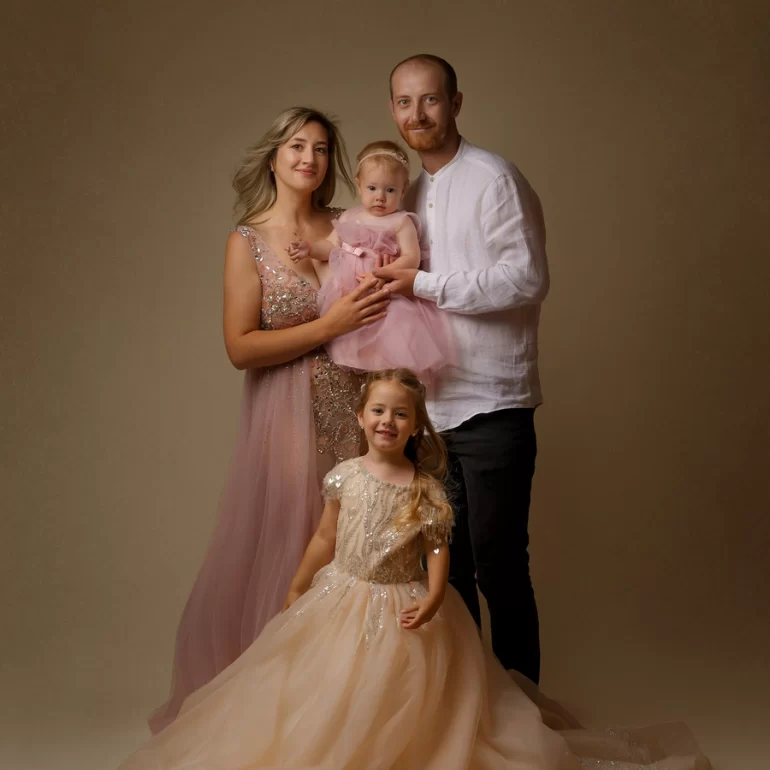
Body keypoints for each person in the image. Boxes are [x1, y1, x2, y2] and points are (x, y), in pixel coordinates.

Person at [119, 369, 710, 770]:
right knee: (327, 683)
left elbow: (436, 549)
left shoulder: (425, 487)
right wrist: (298, 583)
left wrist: (432, 596)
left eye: (400, 414)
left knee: (404, 690)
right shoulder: (345, 476)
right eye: (378, 411)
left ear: (416, 426)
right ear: (360, 416)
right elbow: (325, 536)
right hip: (340, 595)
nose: (387, 421)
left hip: (401, 599)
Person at [147, 107, 391, 734]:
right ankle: (294, 713)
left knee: (367, 549)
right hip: (285, 419)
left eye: (321, 148)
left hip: (362, 412)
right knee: (300, 550)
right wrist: (329, 326)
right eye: (296, 146)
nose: (309, 158)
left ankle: (363, 707)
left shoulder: (350, 223)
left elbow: (391, 307)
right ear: (275, 156)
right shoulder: (247, 241)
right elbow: (240, 348)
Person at [377, 54, 547, 684]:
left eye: (429, 99)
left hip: (493, 405)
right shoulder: (406, 194)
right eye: (403, 102)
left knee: (500, 568)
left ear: (455, 104)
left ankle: (523, 709)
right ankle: (472, 711)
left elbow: (526, 279)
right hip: (431, 412)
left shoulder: (494, 178)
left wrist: (422, 283)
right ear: (392, 111)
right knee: (445, 574)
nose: (416, 114)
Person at [288, 139, 452, 384]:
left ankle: (384, 381)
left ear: (403, 190)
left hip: (386, 295)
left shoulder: (401, 222)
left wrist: (385, 272)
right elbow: (331, 246)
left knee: (389, 341)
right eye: (372, 188)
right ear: (359, 185)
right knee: (353, 335)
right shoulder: (350, 216)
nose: (380, 197)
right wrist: (310, 248)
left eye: (390, 190)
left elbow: (411, 258)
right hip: (349, 293)